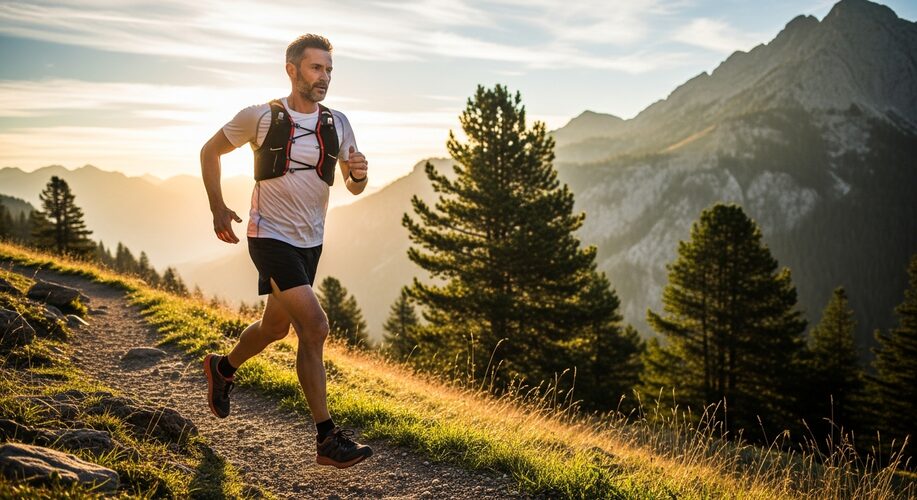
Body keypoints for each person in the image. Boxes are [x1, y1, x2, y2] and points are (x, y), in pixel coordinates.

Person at [199, 34, 372, 469]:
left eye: (329, 70)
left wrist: (359, 174)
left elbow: (354, 185)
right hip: (269, 237)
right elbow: (210, 151)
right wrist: (218, 207)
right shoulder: (260, 117)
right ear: (292, 69)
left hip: (310, 242)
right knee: (314, 326)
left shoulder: (338, 123)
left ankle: (222, 368)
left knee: (275, 328)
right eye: (316, 68)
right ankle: (326, 437)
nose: (324, 78)